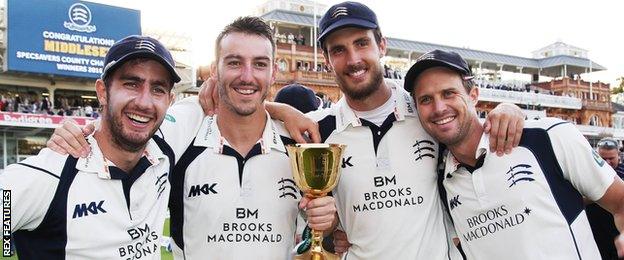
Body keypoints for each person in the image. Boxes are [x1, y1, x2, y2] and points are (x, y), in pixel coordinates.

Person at [197, 2, 524, 259]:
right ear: (326, 59)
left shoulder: (424, 110)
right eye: (338, 50)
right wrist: (275, 107)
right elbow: (247, 112)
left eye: (361, 43)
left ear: (381, 45)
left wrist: (510, 110)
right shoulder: (318, 131)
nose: (353, 59)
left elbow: (467, 124)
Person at [46, 17, 337, 260]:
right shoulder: (180, 142)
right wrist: (80, 134)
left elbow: (326, 233)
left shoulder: (299, 146)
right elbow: (124, 134)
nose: (247, 76)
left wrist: (329, 220)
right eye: (234, 62)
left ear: (274, 72)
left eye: (260, 64)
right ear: (215, 70)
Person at [404, 49, 624, 259]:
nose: (439, 107)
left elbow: (620, 201)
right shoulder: (440, 180)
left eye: (449, 93)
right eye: (425, 99)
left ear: (474, 95)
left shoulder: (546, 138)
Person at [0, 35, 180, 259]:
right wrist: (7, 245)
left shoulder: (164, 152)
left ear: (170, 101)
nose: (144, 102)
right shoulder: (44, 177)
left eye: (158, 89)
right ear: (103, 92)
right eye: (131, 84)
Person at [587, 137, 624, 259]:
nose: (607, 163)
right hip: (594, 232)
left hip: (618, 231)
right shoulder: (586, 173)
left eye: (611, 158)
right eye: (603, 159)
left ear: (618, 155)